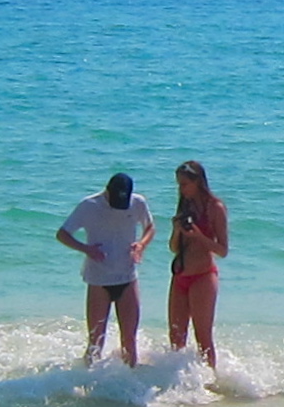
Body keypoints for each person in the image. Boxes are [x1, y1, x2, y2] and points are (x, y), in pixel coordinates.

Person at [55, 171, 154, 365]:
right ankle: (90, 387)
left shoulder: (138, 203)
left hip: (128, 278)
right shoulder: (89, 205)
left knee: (129, 342)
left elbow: (150, 227)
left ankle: (129, 390)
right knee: (95, 342)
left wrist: (141, 244)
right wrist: (85, 249)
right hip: (99, 280)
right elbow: (62, 234)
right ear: (107, 192)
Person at [166, 159, 229, 371]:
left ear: (197, 182)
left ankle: (210, 380)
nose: (181, 189)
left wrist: (199, 236)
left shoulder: (215, 207)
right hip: (180, 275)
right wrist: (177, 230)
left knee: (203, 336)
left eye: (184, 184)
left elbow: (222, 250)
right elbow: (174, 248)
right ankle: (177, 381)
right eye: (179, 184)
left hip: (203, 275)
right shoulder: (185, 206)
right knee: (176, 335)